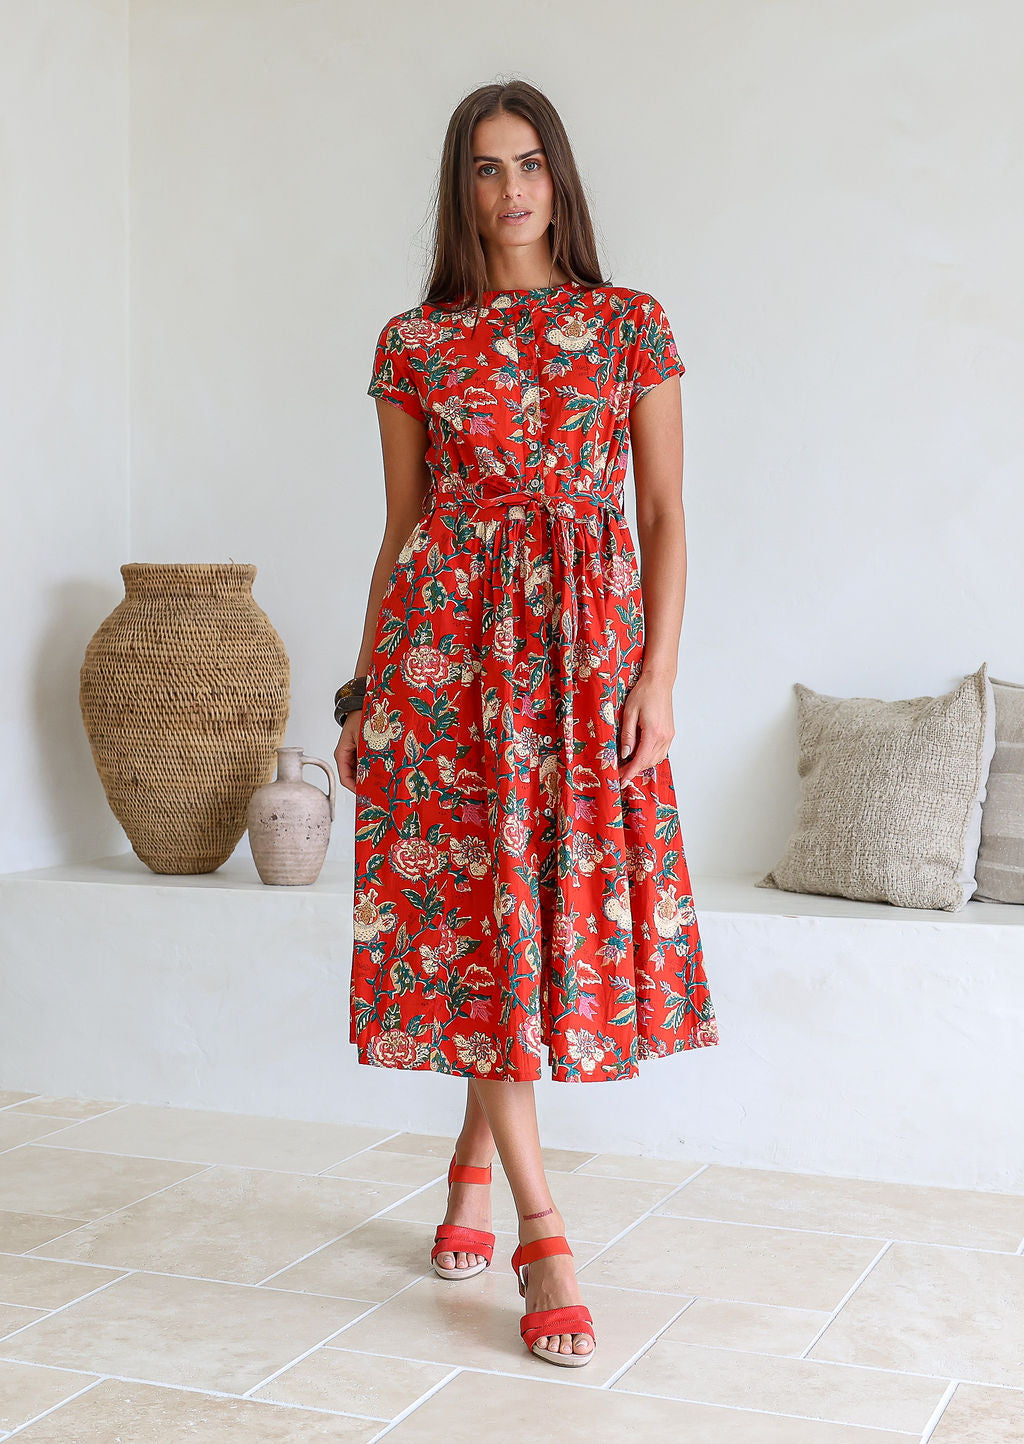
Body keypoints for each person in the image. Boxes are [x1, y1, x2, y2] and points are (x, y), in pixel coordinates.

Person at [334, 79, 719, 1370]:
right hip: (445, 670)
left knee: (534, 922)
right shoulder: (415, 343)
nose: (510, 192)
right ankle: (542, 1232)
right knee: (480, 931)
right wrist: (366, 689)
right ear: (461, 192)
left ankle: (467, 1171)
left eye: (530, 164)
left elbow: (663, 516)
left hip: (580, 664)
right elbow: (403, 535)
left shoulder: (628, 326)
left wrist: (654, 681)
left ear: (561, 180)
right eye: (486, 171)